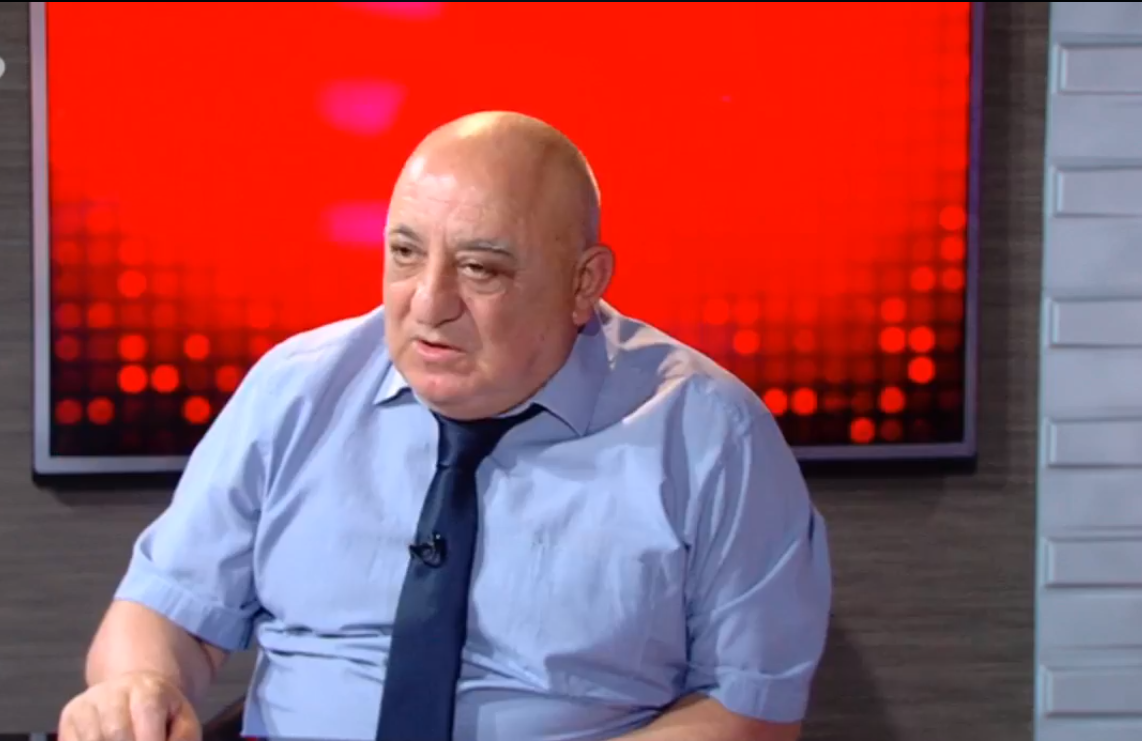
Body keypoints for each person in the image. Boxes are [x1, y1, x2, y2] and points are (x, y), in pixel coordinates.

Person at [58, 111, 832, 741]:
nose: (428, 303)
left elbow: (749, 712)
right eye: (404, 253)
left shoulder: (710, 436)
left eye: (480, 268)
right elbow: (164, 613)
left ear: (584, 281)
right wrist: (137, 685)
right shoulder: (296, 391)